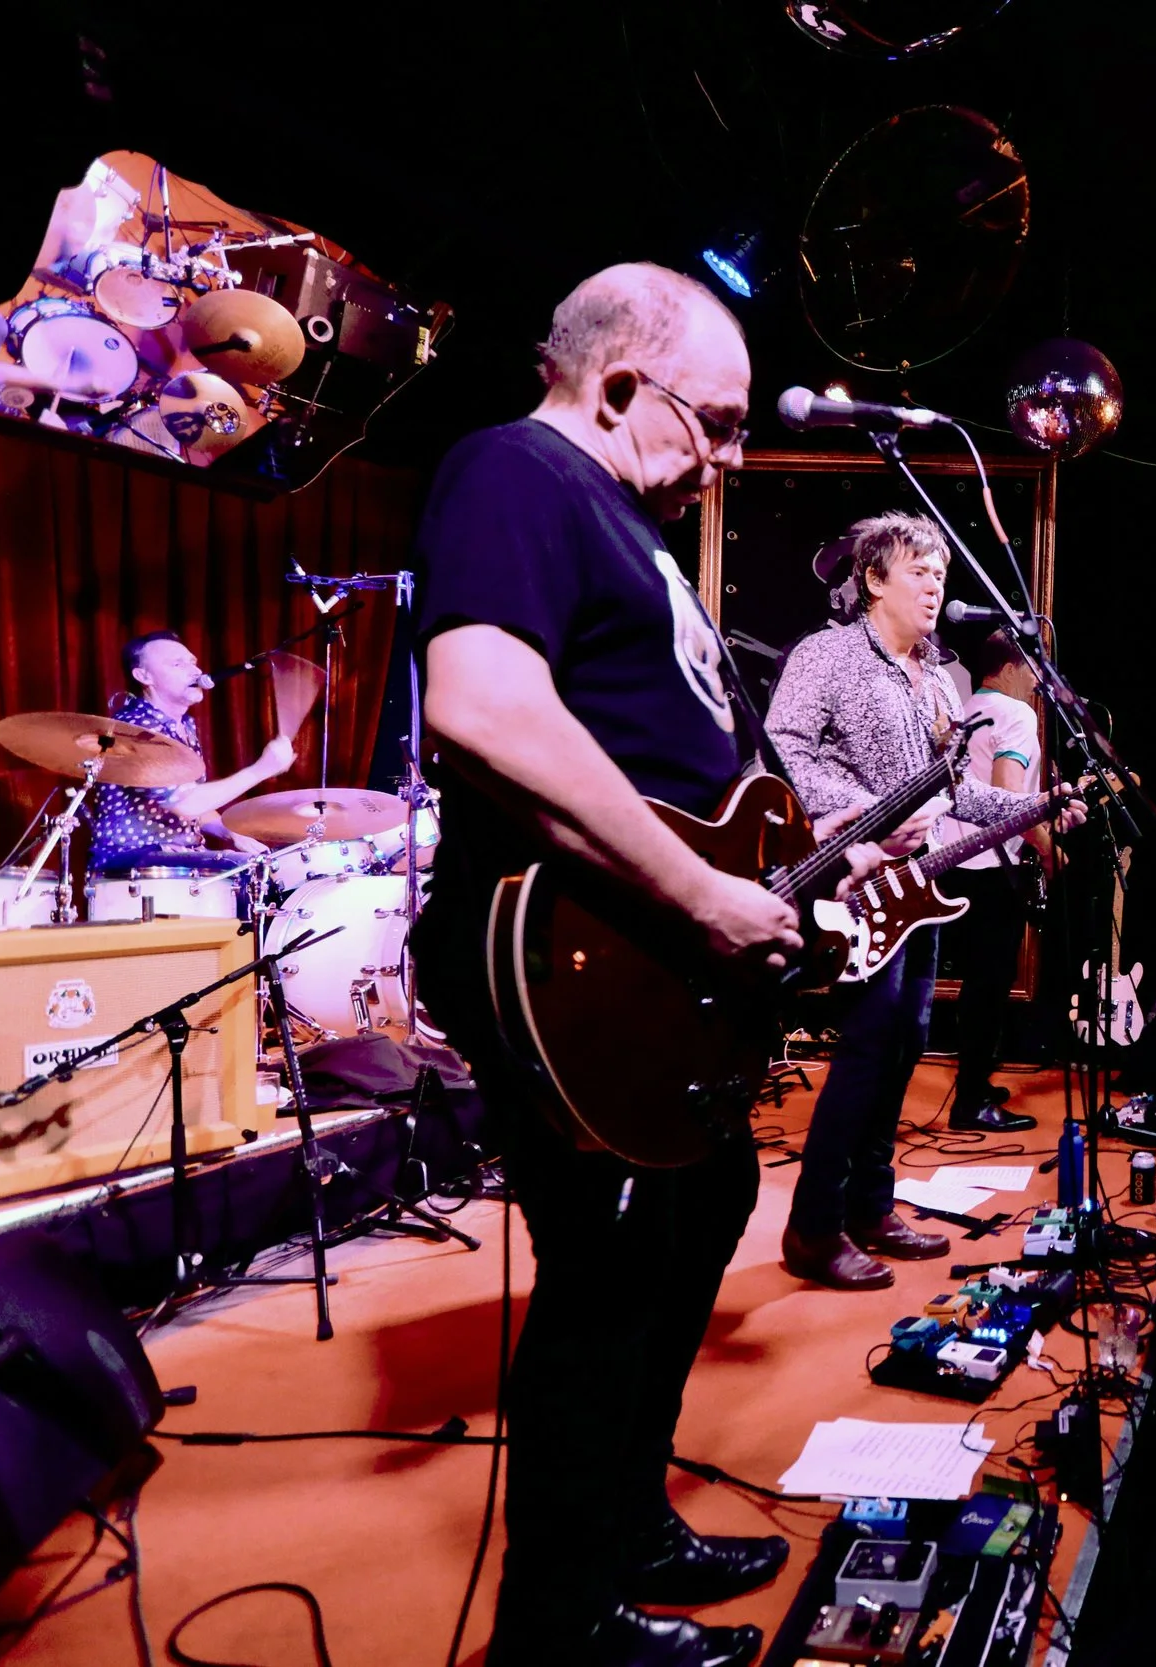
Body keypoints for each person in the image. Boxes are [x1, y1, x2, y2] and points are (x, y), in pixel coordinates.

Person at [410, 263, 817, 1667]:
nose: (733, 457)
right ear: (621, 385)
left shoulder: (628, 527)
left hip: (640, 948)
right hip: (565, 945)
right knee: (606, 1271)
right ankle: (557, 1624)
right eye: (718, 422)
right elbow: (481, 702)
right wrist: (701, 890)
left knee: (702, 1204)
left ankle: (627, 1521)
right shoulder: (516, 470)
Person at [766, 512, 1080, 1291]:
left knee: (906, 1042)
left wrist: (1034, 811)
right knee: (869, 1044)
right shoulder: (827, 655)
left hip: (921, 889)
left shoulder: (939, 679)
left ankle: (872, 1207)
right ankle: (813, 1225)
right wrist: (865, 807)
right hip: (852, 878)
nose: (937, 587)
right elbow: (782, 752)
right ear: (874, 579)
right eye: (920, 572)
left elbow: (954, 792)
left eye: (942, 574)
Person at [938, 628, 1057, 1133]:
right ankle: (971, 1104)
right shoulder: (1017, 715)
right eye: (1031, 669)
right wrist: (1050, 851)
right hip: (992, 871)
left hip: (949, 865)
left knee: (972, 986)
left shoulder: (963, 710)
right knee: (988, 988)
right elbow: (1009, 800)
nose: (1036, 682)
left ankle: (976, 1086)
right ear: (1009, 667)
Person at [89, 631, 296, 871]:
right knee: (239, 870)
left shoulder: (183, 725)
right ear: (144, 676)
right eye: (178, 664)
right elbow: (185, 803)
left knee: (258, 868)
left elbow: (190, 801)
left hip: (177, 858)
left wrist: (229, 832)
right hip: (132, 861)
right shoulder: (135, 729)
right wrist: (261, 770)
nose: (196, 671)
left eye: (193, 662)